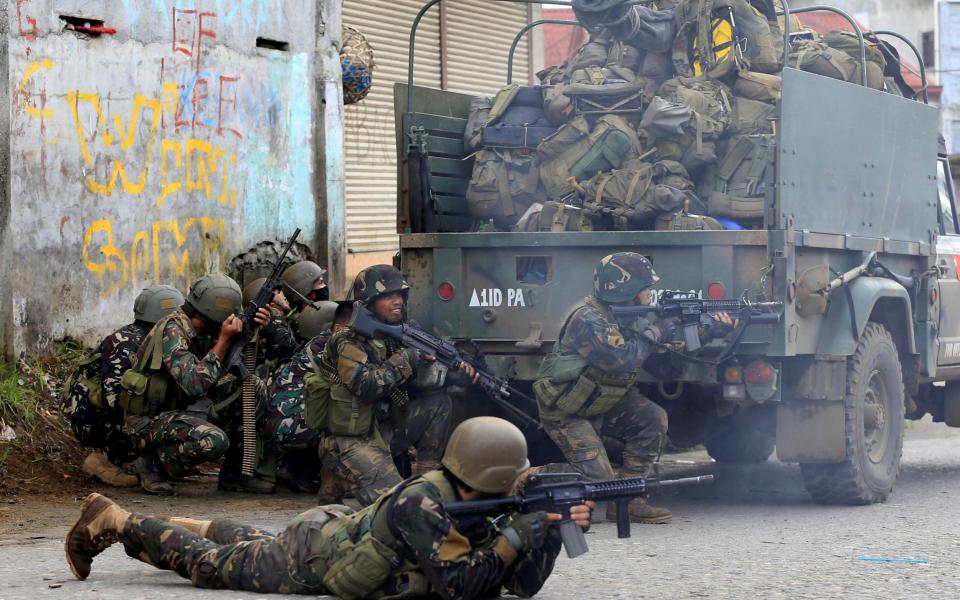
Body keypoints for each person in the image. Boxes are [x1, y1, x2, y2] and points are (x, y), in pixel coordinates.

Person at [65, 416, 594, 599]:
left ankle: (185, 523)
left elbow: (518, 586)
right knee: (212, 565)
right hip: (311, 559)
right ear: (494, 477)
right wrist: (520, 534)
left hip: (326, 532)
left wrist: (545, 534)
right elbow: (460, 587)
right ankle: (116, 520)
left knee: (251, 542)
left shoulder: (471, 498)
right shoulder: (424, 502)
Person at [533, 252, 675, 524]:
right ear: (627, 291)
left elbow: (664, 368)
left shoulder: (630, 316)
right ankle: (521, 477)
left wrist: (704, 331)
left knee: (652, 419)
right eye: (646, 289)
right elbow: (622, 360)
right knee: (599, 481)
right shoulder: (588, 319)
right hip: (566, 410)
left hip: (601, 401)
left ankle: (629, 499)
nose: (650, 295)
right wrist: (659, 331)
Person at [318, 265, 478, 506]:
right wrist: (409, 358)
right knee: (395, 506)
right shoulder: (348, 340)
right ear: (369, 302)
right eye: (388, 296)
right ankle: (336, 470)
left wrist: (455, 374)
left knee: (439, 403)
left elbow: (414, 385)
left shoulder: (401, 332)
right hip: (351, 438)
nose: (397, 301)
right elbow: (365, 386)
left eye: (400, 295)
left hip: (383, 428)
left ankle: (427, 480)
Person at [121, 274, 273, 495]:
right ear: (215, 315)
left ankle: (234, 473)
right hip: (149, 420)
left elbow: (236, 365)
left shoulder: (203, 330)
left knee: (254, 388)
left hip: (184, 407)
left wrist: (256, 330)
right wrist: (223, 340)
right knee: (213, 441)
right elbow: (195, 384)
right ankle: (152, 464)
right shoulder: (172, 331)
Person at [63, 284, 184, 487]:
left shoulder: (157, 338)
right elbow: (115, 401)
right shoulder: (124, 343)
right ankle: (105, 462)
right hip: (92, 418)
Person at [257, 301, 351, 492]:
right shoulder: (331, 347)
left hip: (292, 417)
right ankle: (332, 479)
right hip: (286, 422)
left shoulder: (331, 340)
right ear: (339, 328)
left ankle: (298, 470)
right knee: (349, 418)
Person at [280, 260, 329, 342]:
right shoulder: (301, 324)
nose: (324, 286)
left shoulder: (317, 314)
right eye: (320, 283)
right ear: (306, 291)